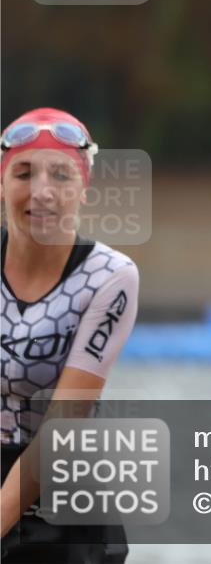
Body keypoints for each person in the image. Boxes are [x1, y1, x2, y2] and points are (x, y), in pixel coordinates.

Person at [0, 108, 140, 562]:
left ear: (85, 189)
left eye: (60, 175)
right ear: (2, 182)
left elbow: (62, 427)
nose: (41, 192)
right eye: (23, 173)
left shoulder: (110, 276)